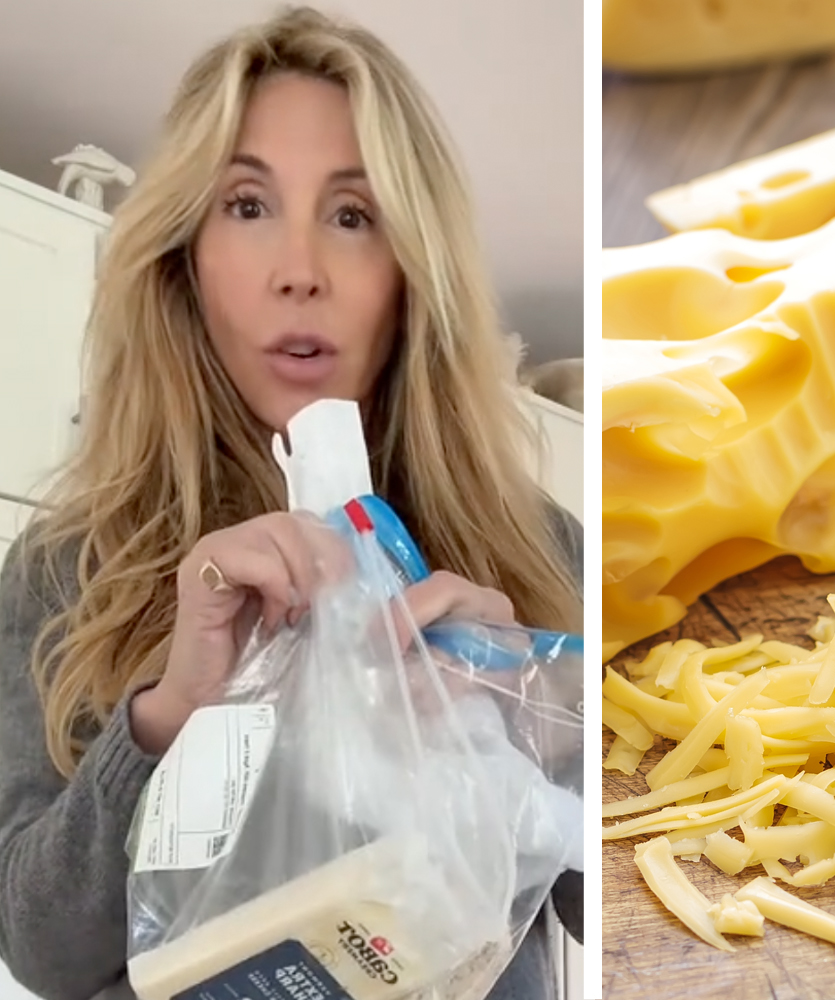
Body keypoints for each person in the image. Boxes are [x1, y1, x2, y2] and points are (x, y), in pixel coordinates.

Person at [0, 8, 582, 999]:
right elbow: (40, 950)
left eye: (352, 216)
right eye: (247, 205)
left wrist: (546, 731)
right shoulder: (68, 565)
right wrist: (170, 715)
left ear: (412, 268)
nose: (299, 273)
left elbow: (619, 914)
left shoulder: (540, 547)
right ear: (185, 256)